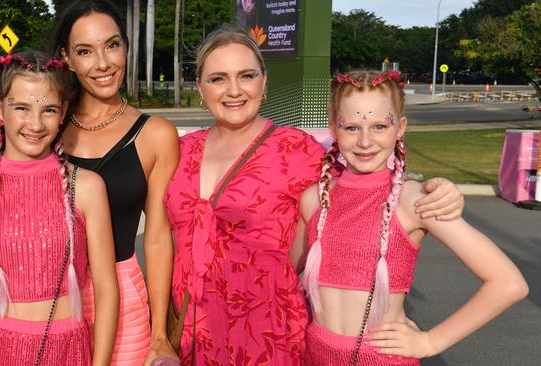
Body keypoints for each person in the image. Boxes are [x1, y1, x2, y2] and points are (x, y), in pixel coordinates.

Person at [164, 28, 465, 366]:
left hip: (269, 336)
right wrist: (159, 337)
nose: (234, 90)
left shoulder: (299, 151)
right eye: (218, 78)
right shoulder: (177, 151)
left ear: (264, 81)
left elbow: (370, 181)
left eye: (246, 75)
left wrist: (441, 188)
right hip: (189, 330)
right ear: (200, 87)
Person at [0, 1, 179, 365]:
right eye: (85, 51)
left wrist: (161, 332)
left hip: (119, 302)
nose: (102, 62)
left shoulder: (154, 134)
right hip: (37, 303)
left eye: (112, 45)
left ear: (126, 47)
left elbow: (158, 239)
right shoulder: (41, 115)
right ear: (65, 57)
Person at [299, 70, 529, 365]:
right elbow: (287, 271)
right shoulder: (314, 199)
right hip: (314, 353)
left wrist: (431, 340)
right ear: (334, 127)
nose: (365, 141)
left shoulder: (412, 201)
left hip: (381, 359)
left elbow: (508, 283)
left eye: (380, 126)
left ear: (401, 128)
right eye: (352, 128)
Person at [0, 51, 119, 365]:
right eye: (22, 108)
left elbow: (107, 289)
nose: (36, 124)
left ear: (64, 110)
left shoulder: (88, 188)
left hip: (68, 349)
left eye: (49, 109)